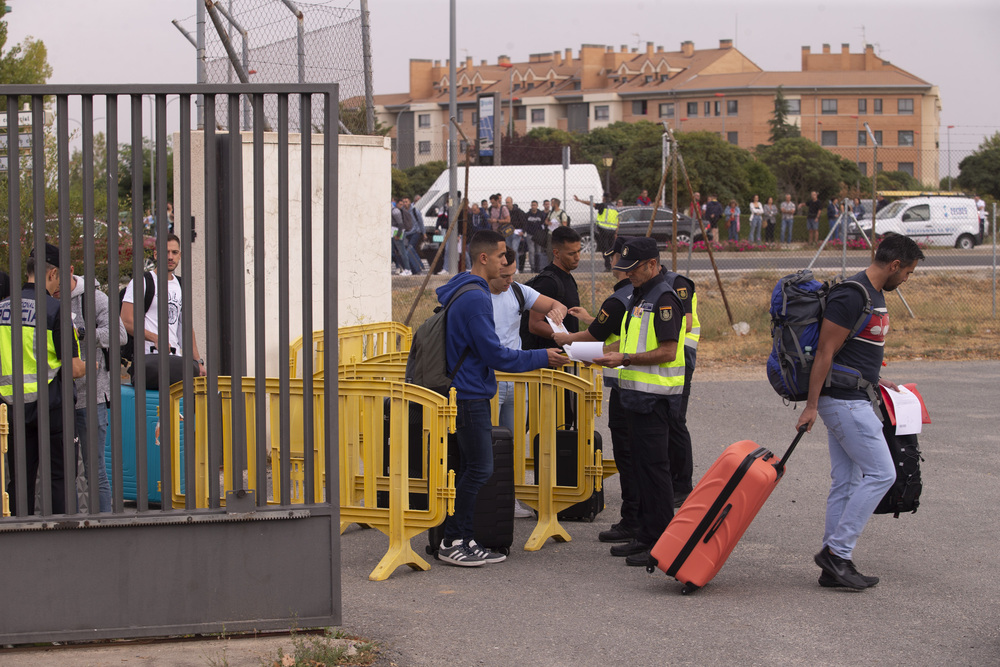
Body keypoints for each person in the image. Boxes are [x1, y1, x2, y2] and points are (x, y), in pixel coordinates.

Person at [795, 234, 924, 589]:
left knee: (847, 481)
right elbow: (825, 351)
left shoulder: (874, 294)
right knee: (883, 475)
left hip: (857, 397)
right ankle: (837, 553)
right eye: (908, 273)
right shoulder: (852, 294)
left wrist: (880, 379)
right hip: (844, 403)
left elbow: (855, 351)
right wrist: (810, 405)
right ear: (894, 265)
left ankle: (831, 567)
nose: (907, 279)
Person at [435, 230, 566, 567]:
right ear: (484, 258)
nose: (506, 260)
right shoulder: (476, 298)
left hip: (464, 391)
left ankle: (462, 537)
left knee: (471, 467)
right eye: (501, 255)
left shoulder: (464, 288)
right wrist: (543, 358)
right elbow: (495, 354)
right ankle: (453, 541)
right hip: (467, 395)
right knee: (479, 468)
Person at [593, 237, 686, 567]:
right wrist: (608, 355)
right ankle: (645, 535)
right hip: (635, 397)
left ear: (652, 265)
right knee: (642, 471)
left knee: (656, 472)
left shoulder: (663, 298)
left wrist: (626, 358)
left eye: (633, 269)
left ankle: (660, 542)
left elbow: (668, 351)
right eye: (625, 269)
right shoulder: (641, 296)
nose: (627, 274)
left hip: (654, 400)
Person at [553, 236, 638, 543]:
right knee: (642, 458)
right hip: (646, 388)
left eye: (617, 258)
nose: (613, 263)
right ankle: (639, 521)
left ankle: (636, 522)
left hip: (634, 388)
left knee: (632, 457)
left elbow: (607, 342)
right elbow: (617, 339)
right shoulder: (648, 295)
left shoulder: (622, 299)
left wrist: (569, 343)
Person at [1, 243, 87, 516]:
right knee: (59, 478)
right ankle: (60, 540)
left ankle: (18, 537)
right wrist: (89, 366)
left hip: (12, 408)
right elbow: (73, 368)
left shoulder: (2, 308)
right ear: (51, 274)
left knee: (19, 482)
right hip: (51, 407)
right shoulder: (55, 310)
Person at [488, 248, 568, 517]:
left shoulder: (518, 291)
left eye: (512, 275)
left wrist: (557, 312)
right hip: (488, 381)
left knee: (510, 444)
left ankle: (506, 500)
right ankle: (483, 504)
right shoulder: (475, 296)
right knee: (485, 444)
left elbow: (557, 305)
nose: (509, 280)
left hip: (515, 381)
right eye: (504, 276)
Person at [55, 266, 128, 513]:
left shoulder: (94, 298)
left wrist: (81, 333)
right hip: (57, 396)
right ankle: (70, 528)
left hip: (91, 395)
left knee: (95, 469)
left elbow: (120, 335)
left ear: (68, 271)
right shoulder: (45, 299)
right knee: (63, 471)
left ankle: (104, 528)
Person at [121, 233, 206, 387]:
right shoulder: (143, 282)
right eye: (165, 252)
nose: (170, 257)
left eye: (174, 253)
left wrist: (198, 361)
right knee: (152, 408)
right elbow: (126, 321)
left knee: (178, 409)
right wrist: (155, 338)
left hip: (176, 362)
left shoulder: (181, 285)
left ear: (180, 255)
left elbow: (184, 328)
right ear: (155, 254)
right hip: (148, 360)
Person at [574, 193, 619, 270]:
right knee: (611, 249)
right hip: (612, 231)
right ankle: (615, 265)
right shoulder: (615, 208)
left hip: (604, 230)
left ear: (604, 198)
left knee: (605, 249)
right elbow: (618, 221)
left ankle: (608, 266)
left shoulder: (603, 205)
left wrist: (579, 200)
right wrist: (616, 232)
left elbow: (591, 204)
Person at [523, 200, 547, 273]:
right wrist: (527, 231)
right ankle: (533, 267)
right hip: (530, 235)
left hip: (538, 235)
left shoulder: (541, 214)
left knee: (538, 251)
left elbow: (543, 224)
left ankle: (539, 267)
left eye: (535, 205)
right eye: (532, 205)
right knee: (531, 252)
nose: (533, 206)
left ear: (537, 206)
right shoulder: (527, 214)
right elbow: (525, 224)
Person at [545, 198, 570, 262]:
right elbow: (546, 220)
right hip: (551, 234)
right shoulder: (551, 213)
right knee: (549, 250)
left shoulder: (562, 213)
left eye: (552, 203)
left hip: (558, 235)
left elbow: (565, 224)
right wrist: (548, 223)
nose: (551, 204)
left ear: (556, 204)